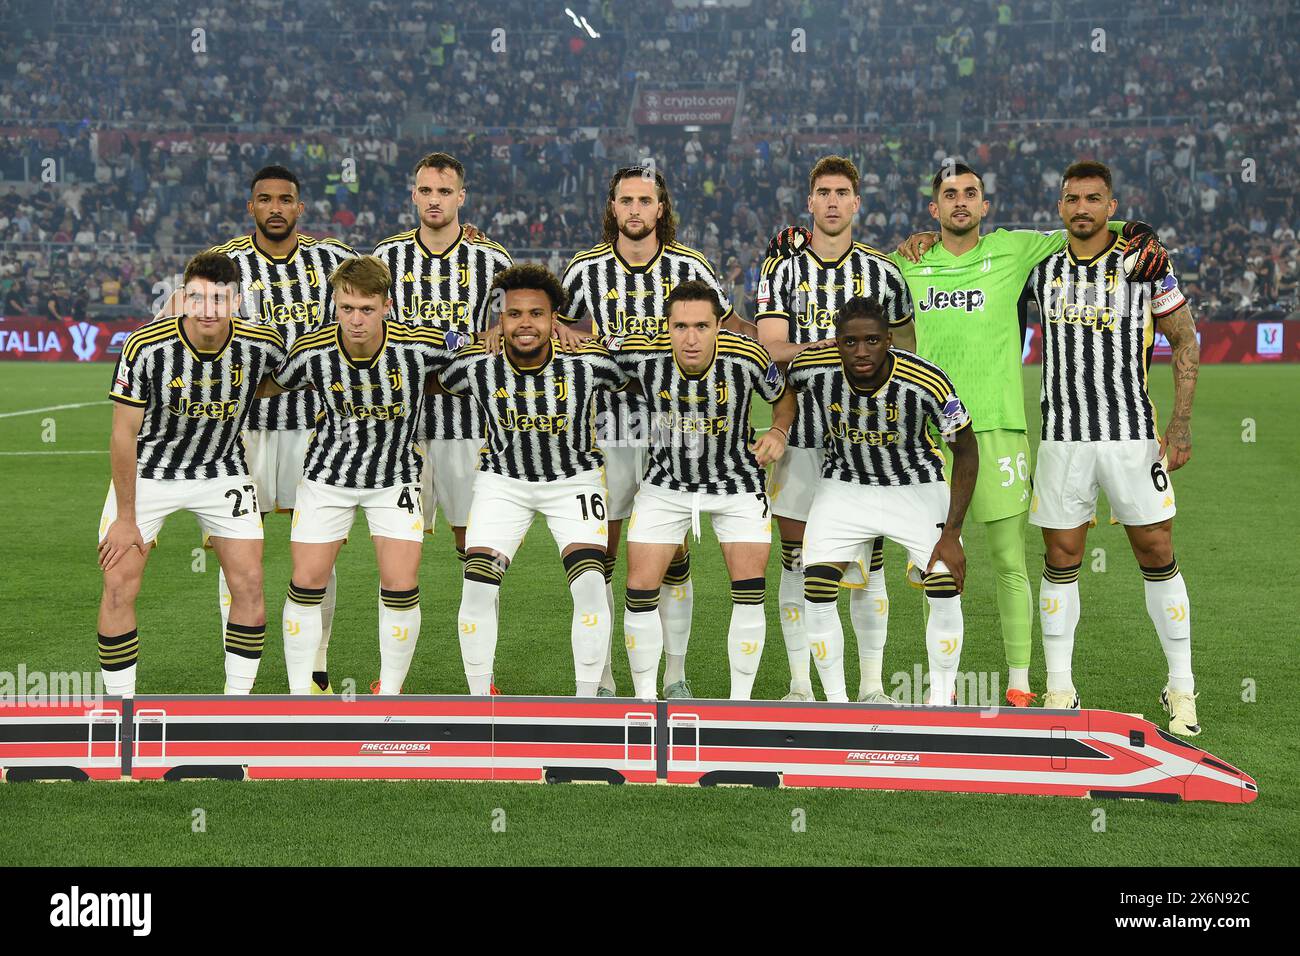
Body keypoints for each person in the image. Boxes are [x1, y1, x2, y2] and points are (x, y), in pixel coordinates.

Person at [767, 161, 1169, 705]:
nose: (960, 201)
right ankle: (868, 692)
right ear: (933, 210)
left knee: (1008, 560)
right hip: (919, 437)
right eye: (949, 195)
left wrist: (1136, 232)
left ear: (985, 206)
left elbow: (1084, 221)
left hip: (997, 427)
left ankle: (1024, 685)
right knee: (905, 562)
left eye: (971, 193)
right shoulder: (907, 263)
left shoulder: (1015, 250)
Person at [1024, 160, 1201, 735]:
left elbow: (1184, 337)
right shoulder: (1039, 265)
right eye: (1072, 199)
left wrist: (1179, 423)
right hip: (1062, 438)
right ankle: (1059, 689)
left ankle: (1181, 688)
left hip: (1130, 436)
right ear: (1060, 206)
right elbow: (978, 255)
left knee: (1155, 548)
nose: (1082, 209)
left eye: (1094, 199)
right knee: (1061, 557)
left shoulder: (1145, 261)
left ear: (1111, 204)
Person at [553, 166, 741, 697]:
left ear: (662, 209)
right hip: (606, 426)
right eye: (625, 200)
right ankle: (607, 677)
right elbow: (558, 324)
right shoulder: (585, 269)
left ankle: (675, 676)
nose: (635, 210)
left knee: (672, 555)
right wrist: (576, 342)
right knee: (605, 555)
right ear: (612, 207)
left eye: (645, 200)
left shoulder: (689, 266)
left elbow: (722, 328)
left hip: (673, 427)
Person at [181, 164, 357, 693]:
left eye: (286, 199)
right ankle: (242, 679)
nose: (275, 207)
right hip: (239, 430)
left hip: (316, 425)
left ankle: (315, 670)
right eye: (265, 199)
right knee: (236, 549)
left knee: (319, 551)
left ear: (300, 207)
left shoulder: (334, 259)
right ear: (250, 205)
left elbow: (380, 294)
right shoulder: (224, 262)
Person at [755, 155, 913, 704]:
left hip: (866, 438)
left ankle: (870, 686)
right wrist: (832, 352)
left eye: (842, 192)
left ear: (856, 203)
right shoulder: (782, 269)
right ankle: (800, 684)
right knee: (796, 557)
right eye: (822, 192)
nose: (831, 201)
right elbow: (771, 348)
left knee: (866, 561)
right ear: (810, 201)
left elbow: (906, 352)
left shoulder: (884, 272)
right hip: (800, 434)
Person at [266, 256, 462, 695]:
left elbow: (472, 348)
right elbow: (264, 384)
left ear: (387, 306)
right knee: (306, 581)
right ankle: (301, 694)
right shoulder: (311, 351)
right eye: (346, 308)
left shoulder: (421, 344)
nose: (356, 320)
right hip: (326, 478)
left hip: (395, 479)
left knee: (400, 583)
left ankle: (388, 695)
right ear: (334, 306)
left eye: (367, 309)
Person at [97, 252, 286, 696]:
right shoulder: (145, 347)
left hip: (223, 470)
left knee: (250, 582)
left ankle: (234, 705)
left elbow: (286, 376)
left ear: (236, 301)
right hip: (150, 471)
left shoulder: (262, 344)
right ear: (182, 297)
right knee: (119, 583)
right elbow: (123, 435)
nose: (208, 309)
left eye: (219, 299)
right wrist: (126, 519)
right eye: (198, 298)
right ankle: (121, 708)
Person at [437, 264, 626, 696]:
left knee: (591, 583)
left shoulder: (589, 362)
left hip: (574, 481)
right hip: (502, 483)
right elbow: (434, 378)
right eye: (515, 314)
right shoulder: (473, 365)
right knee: (479, 583)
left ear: (554, 320)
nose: (526, 323)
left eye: (537, 314)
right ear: (499, 320)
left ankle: (587, 702)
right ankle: (478, 699)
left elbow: (632, 371)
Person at [784, 297, 978, 706]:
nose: (861, 351)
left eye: (872, 340)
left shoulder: (927, 381)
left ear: (890, 340)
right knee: (816, 588)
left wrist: (952, 533)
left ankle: (941, 703)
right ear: (835, 343)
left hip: (915, 485)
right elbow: (776, 377)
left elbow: (966, 450)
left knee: (944, 582)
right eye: (850, 342)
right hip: (844, 485)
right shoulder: (812, 370)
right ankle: (838, 706)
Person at [614, 280, 792, 700]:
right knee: (640, 590)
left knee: (749, 592)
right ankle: (645, 700)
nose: (690, 338)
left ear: (718, 326)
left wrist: (780, 431)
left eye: (701, 326)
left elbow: (784, 396)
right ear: (667, 327)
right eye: (680, 327)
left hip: (737, 484)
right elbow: (583, 348)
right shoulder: (642, 352)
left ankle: (739, 704)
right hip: (665, 484)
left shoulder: (747, 356)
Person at [373, 152, 512, 572]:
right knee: (397, 544)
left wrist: (500, 329)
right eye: (427, 191)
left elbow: (519, 319)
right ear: (414, 195)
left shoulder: (492, 260)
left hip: (465, 419)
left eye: (445, 191)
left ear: (461, 197)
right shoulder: (385, 256)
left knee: (473, 542)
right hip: (401, 421)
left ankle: (475, 631)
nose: (435, 200)